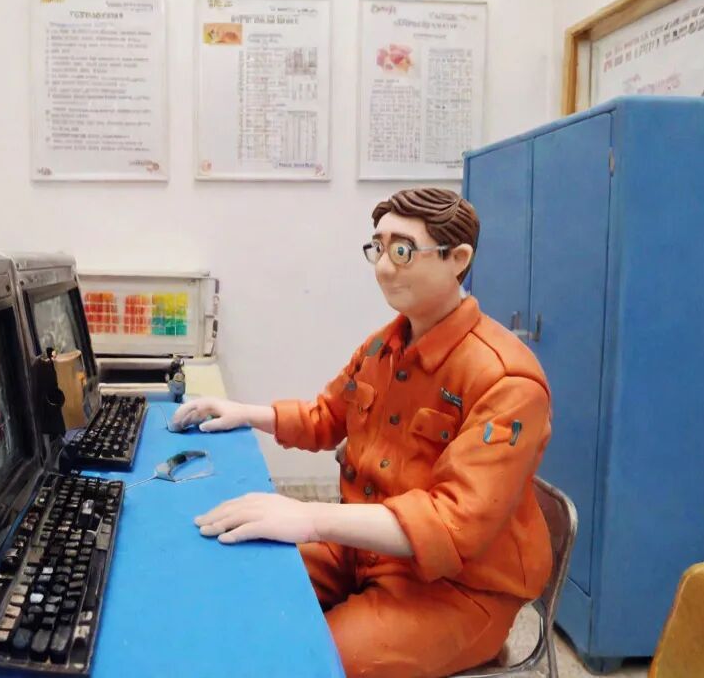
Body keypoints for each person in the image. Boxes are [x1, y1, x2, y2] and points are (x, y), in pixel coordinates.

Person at [170, 187, 553, 678]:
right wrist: (246, 412)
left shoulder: (506, 379)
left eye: (403, 250)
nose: (385, 268)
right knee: (239, 582)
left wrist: (310, 517)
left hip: (458, 589)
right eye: (379, 247)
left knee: (307, 660)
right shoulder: (383, 346)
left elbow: (452, 524)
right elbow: (326, 417)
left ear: (458, 259)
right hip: (361, 551)